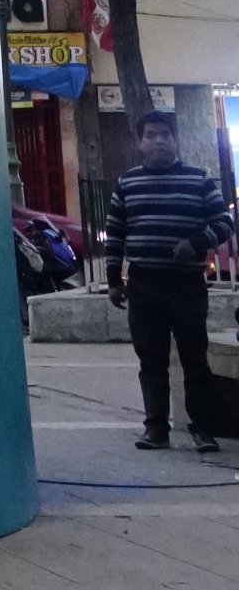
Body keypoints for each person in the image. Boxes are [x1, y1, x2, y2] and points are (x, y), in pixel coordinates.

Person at [105, 108, 233, 455]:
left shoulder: (199, 180)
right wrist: (113, 280)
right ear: (140, 142)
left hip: (187, 286)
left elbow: (225, 221)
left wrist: (196, 242)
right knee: (151, 360)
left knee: (195, 358)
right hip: (144, 285)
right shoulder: (126, 184)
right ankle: (156, 429)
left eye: (164, 134)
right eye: (151, 135)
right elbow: (114, 235)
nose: (158, 140)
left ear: (174, 139)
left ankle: (203, 429)